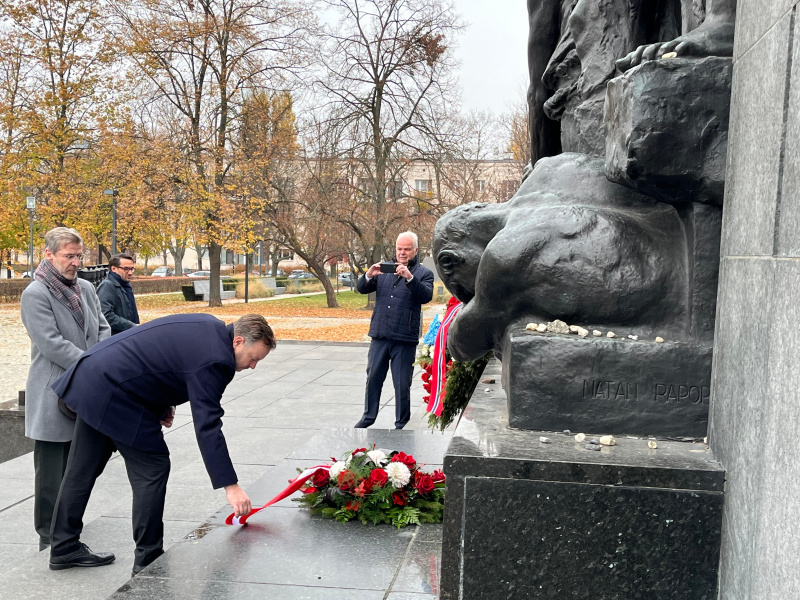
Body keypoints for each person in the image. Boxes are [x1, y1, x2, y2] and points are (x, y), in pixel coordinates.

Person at [47, 313, 276, 576]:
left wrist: (160, 405)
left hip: (93, 377)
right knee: (153, 467)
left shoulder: (208, 326)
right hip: (115, 392)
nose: (253, 366)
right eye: (254, 358)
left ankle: (63, 546)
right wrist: (231, 486)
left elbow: (158, 360)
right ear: (237, 341)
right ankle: (149, 560)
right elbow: (208, 425)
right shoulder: (217, 360)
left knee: (82, 469)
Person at [20, 227, 111, 552]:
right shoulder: (35, 294)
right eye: (68, 256)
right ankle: (49, 534)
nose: (76, 262)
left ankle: (68, 526)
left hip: (84, 389)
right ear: (49, 255)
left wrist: (99, 357)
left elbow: (102, 326)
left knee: (80, 463)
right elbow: (51, 344)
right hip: (52, 394)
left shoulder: (86, 287)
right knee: (51, 471)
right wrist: (94, 364)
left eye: (78, 255)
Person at [355, 231, 434, 429]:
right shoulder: (383, 270)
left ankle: (401, 422)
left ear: (415, 250)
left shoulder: (424, 273)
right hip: (380, 334)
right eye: (399, 249)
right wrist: (368, 275)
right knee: (373, 378)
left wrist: (410, 278)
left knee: (401, 384)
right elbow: (361, 288)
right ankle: (368, 417)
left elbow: (426, 296)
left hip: (404, 338)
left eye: (407, 249)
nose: (402, 253)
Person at [96, 253, 140, 335]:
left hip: (126, 335)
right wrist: (131, 326)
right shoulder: (107, 286)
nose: (130, 273)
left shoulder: (125, 285)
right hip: (116, 339)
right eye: (126, 269)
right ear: (113, 268)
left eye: (132, 269)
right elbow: (105, 315)